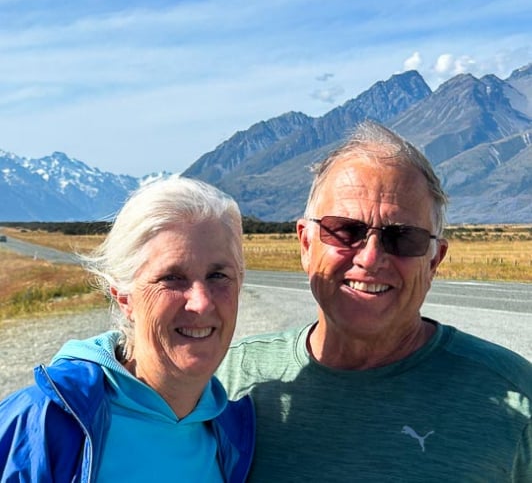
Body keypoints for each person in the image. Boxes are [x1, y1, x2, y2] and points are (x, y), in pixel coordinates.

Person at [217, 120, 532, 482]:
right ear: (305, 243)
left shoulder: (516, 398)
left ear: (434, 260)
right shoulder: (229, 384)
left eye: (402, 238)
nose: (370, 258)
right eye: (346, 230)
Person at [0, 175, 255, 482]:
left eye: (218, 275)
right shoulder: (38, 422)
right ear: (124, 297)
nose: (201, 303)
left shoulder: (236, 435)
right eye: (172, 278)